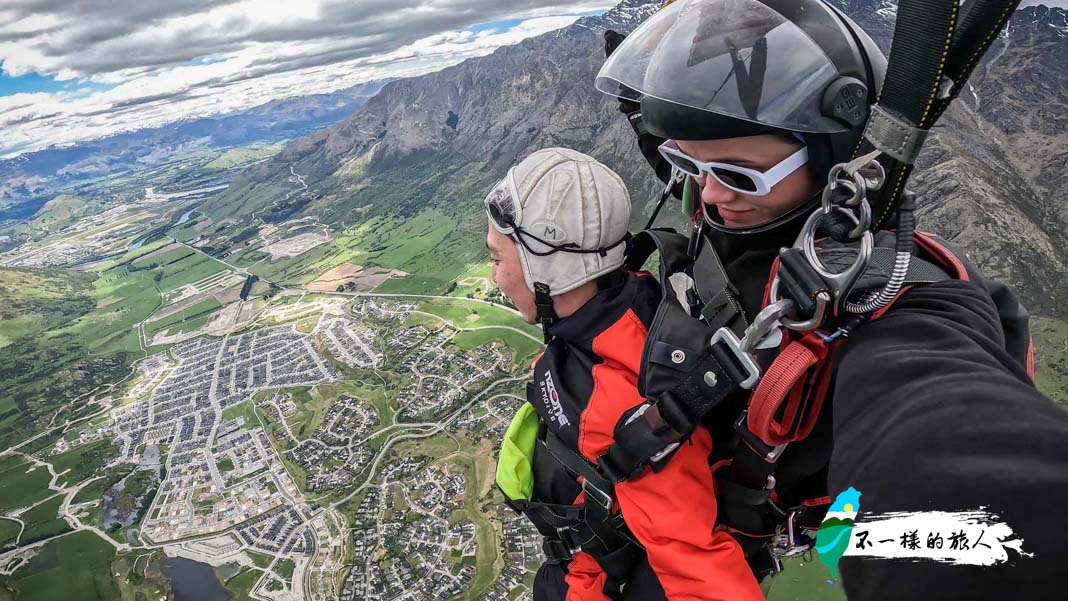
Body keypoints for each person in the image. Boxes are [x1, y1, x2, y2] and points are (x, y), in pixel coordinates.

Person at [593, 0, 1068, 599]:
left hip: (756, 523)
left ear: (832, 165)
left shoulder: (893, 306)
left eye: (740, 176)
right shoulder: (733, 196)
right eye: (687, 163)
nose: (710, 195)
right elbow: (703, 165)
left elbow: (939, 430)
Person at [488, 147, 765, 600]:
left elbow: (696, 569)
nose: (495, 275)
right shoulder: (626, 304)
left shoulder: (620, 400)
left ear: (546, 270)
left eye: (498, 258)